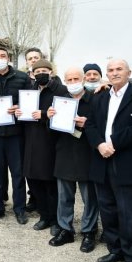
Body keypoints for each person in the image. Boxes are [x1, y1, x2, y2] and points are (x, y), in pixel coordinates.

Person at [84, 59, 132, 262]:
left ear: (128, 72)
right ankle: (115, 250)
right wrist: (99, 144)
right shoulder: (100, 97)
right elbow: (90, 124)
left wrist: (113, 143)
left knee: (129, 213)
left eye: (119, 69)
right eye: (111, 70)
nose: (114, 73)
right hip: (102, 160)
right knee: (108, 209)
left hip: (127, 162)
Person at [48, 67, 99, 251]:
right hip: (65, 153)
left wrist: (87, 124)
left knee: (89, 197)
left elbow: (103, 127)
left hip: (87, 153)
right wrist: (49, 118)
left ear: (84, 79)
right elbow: (51, 131)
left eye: (76, 78)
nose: (72, 83)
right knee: (64, 197)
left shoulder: (95, 100)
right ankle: (65, 229)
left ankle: (89, 231)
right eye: (69, 79)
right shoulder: (61, 101)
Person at [16, 60, 69, 236]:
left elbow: (67, 115)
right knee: (34, 181)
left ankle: (54, 220)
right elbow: (24, 114)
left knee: (50, 184)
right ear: (32, 73)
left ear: (51, 72)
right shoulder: (29, 92)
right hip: (30, 142)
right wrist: (18, 112)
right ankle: (44, 216)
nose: (40, 73)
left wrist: (45, 115)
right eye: (37, 71)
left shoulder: (60, 90)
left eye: (44, 70)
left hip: (50, 143)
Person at [0, 47, 31, 223]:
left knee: (18, 173)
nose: (0, 59)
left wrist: (19, 107)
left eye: (3, 56)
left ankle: (20, 209)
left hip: (16, 134)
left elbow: (30, 102)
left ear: (8, 58)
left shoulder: (22, 78)